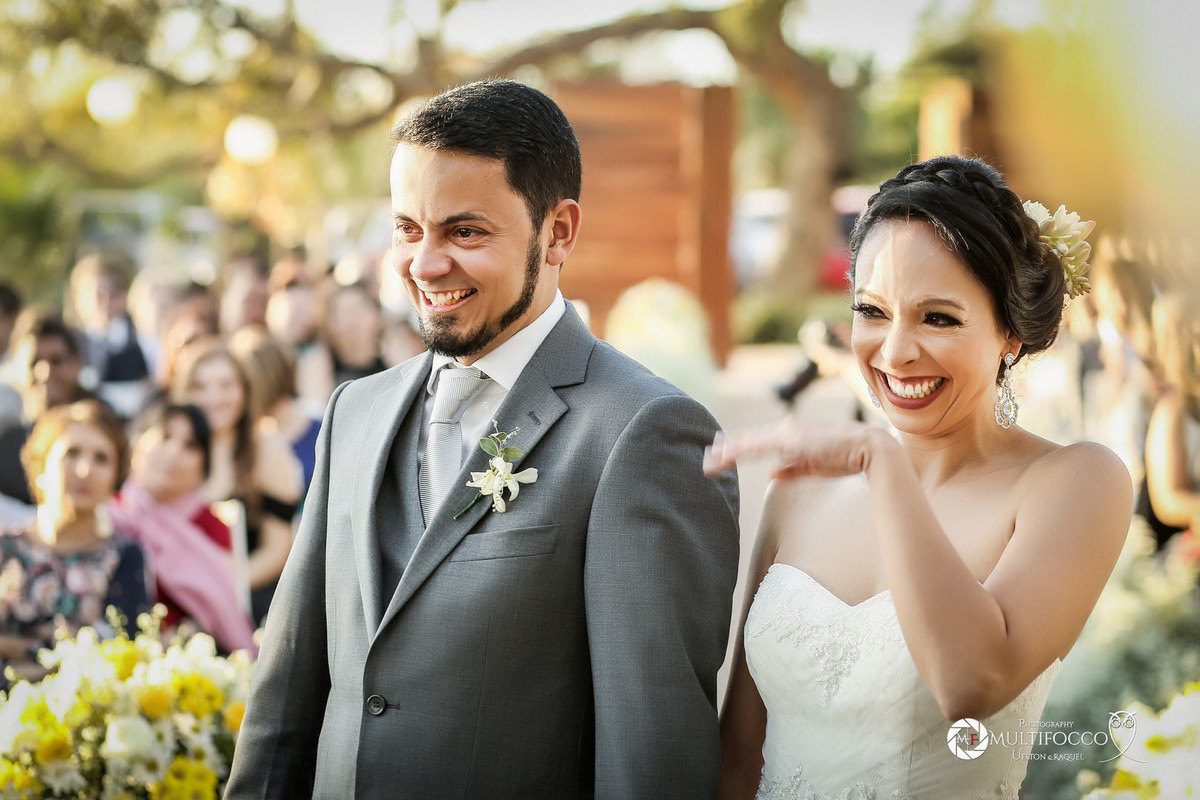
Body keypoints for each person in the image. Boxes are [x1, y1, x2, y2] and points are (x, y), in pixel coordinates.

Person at [225, 79, 740, 799]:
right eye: (409, 229)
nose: (425, 264)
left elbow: (650, 758)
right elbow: (284, 699)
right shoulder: (355, 413)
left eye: (465, 232)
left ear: (558, 231)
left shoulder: (645, 434)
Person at [707, 155, 1132, 799]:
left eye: (938, 318)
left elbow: (971, 686)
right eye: (872, 311)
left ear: (1009, 334)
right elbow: (738, 757)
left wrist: (883, 463)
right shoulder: (799, 491)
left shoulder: (1074, 481)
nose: (896, 350)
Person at [0, 399, 150, 684]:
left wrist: (18, 650)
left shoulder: (124, 557)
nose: (85, 470)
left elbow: (121, 659)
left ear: (115, 478)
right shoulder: (5, 547)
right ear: (42, 465)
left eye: (101, 459)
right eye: (72, 453)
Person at [170, 337, 301, 627]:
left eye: (226, 385)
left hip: (253, 604)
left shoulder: (268, 451)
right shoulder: (171, 453)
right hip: (181, 605)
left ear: (243, 390)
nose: (214, 398)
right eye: (200, 387)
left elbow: (277, 550)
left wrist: (219, 586)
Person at [111, 402, 256, 653]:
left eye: (190, 445)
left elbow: (221, 610)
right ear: (136, 446)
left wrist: (183, 637)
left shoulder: (211, 526)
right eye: (165, 437)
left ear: (203, 466)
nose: (174, 452)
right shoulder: (108, 516)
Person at [0, 314, 92, 509]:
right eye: (34, 362)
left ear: (78, 365)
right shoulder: (6, 446)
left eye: (57, 361)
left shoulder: (103, 434)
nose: (46, 372)